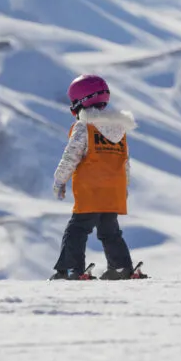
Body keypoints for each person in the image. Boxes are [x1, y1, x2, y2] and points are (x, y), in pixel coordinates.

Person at [50, 74, 146, 280]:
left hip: (91, 190)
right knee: (109, 231)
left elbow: (71, 156)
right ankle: (121, 267)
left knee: (76, 229)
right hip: (113, 192)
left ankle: (70, 270)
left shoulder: (85, 127)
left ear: (80, 102)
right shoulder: (119, 130)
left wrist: (60, 180)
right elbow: (125, 162)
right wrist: (124, 189)